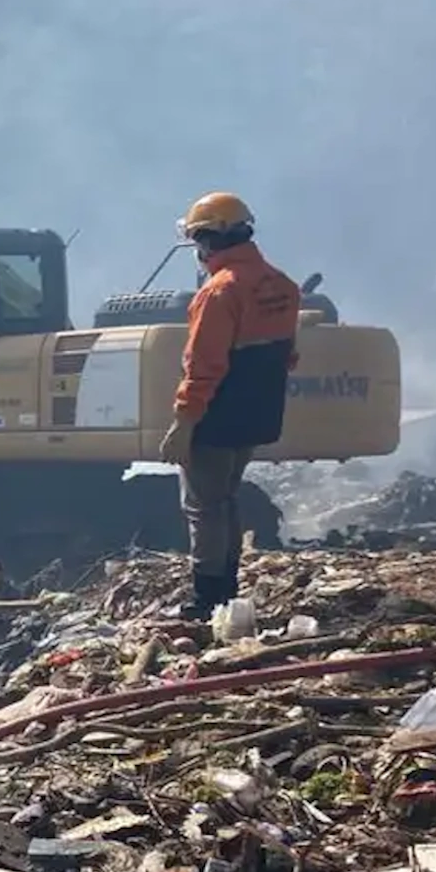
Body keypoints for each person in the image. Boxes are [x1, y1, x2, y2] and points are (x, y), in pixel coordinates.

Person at [158, 192, 301, 621]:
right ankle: (227, 591)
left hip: (217, 414)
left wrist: (184, 422)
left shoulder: (218, 293)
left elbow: (203, 365)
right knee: (226, 499)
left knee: (203, 506)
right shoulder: (280, 284)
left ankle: (207, 599)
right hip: (258, 412)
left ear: (207, 240)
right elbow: (288, 353)